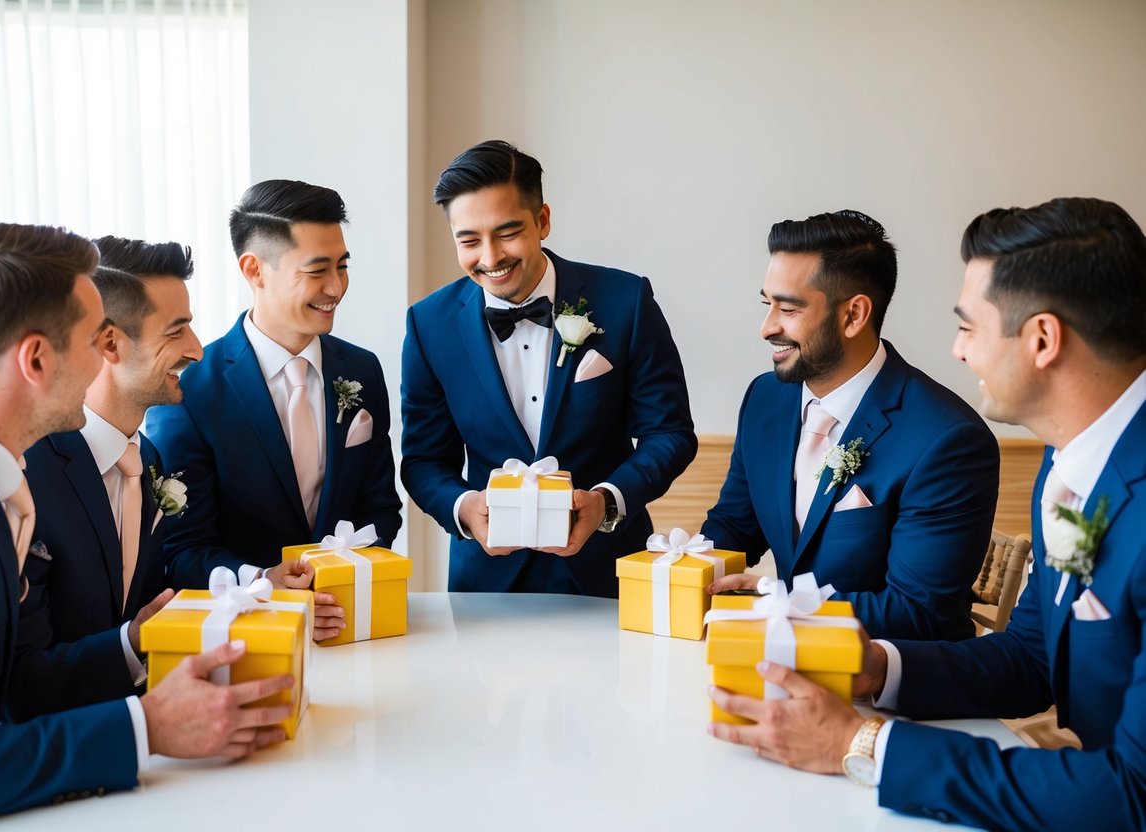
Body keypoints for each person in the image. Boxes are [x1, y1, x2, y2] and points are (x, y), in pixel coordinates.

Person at [707, 197, 1146, 830]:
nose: (958, 351)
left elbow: (1133, 796)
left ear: (1043, 340)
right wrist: (876, 667)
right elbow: (1030, 660)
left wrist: (863, 745)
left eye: (969, 327)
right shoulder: (1068, 462)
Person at [0, 222, 293, 830]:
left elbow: (10, 678)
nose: (99, 360)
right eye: (89, 340)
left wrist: (137, 641)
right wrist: (143, 728)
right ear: (36, 359)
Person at [401, 140, 696, 597]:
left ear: (542, 221)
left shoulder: (626, 301)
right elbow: (423, 460)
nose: (490, 258)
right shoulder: (428, 324)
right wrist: (464, 509)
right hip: (487, 584)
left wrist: (607, 501)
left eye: (507, 233)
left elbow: (670, 434)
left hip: (608, 574)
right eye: (469, 240)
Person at [700, 210, 998, 640]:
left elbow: (919, 613)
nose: (767, 328)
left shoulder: (948, 440)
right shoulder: (765, 399)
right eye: (768, 305)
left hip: (887, 672)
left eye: (788, 308)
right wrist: (678, 573)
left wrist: (779, 602)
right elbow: (734, 526)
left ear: (854, 315)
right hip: (778, 659)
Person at [146, 180, 402, 641]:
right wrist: (263, 582)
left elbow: (381, 508)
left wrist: (338, 577)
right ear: (254, 270)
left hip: (350, 628)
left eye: (342, 266)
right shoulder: (190, 391)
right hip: (247, 640)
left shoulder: (362, 369)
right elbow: (182, 549)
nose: (336, 287)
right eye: (317, 270)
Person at [10, 237, 203, 721]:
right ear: (110, 343)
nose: (197, 350)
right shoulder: (25, 471)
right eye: (176, 330)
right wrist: (130, 643)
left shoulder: (148, 458)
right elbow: (18, 681)